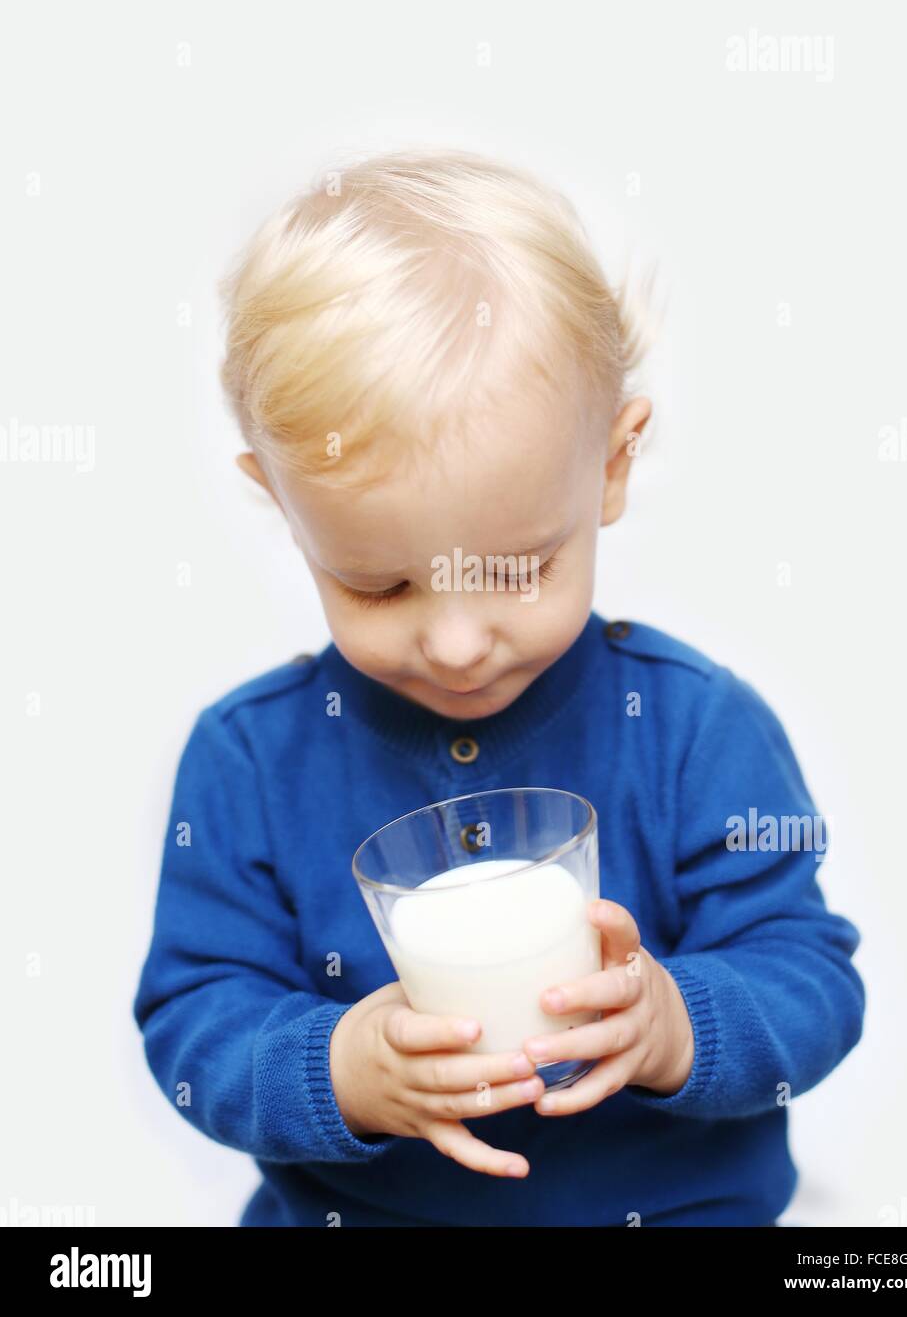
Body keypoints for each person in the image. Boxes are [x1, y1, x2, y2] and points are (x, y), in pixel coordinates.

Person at [132, 148, 865, 1226]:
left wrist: (676, 1024)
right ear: (287, 508)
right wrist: (340, 1067)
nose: (460, 643)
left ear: (610, 466)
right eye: (378, 583)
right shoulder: (249, 761)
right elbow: (196, 1016)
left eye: (518, 570)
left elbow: (812, 979)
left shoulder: (696, 728)